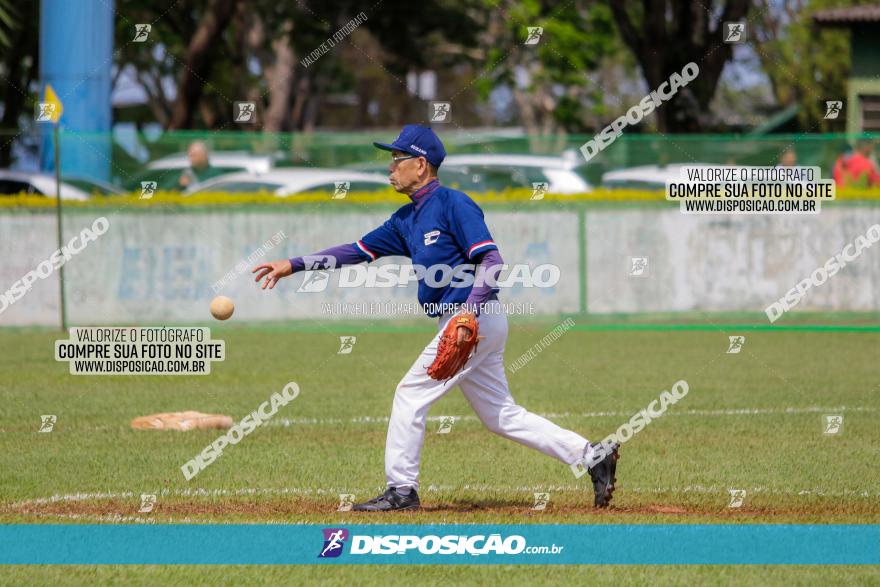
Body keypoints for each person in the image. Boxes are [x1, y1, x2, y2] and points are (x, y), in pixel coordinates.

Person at [252, 125, 619, 511]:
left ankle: (401, 491)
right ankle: (592, 455)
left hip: (472, 320)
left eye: (397, 159)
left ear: (421, 165)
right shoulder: (406, 219)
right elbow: (356, 251)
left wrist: (467, 312)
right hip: (468, 324)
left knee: (410, 394)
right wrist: (292, 264)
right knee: (501, 416)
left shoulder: (453, 204)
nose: (390, 168)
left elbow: (492, 262)